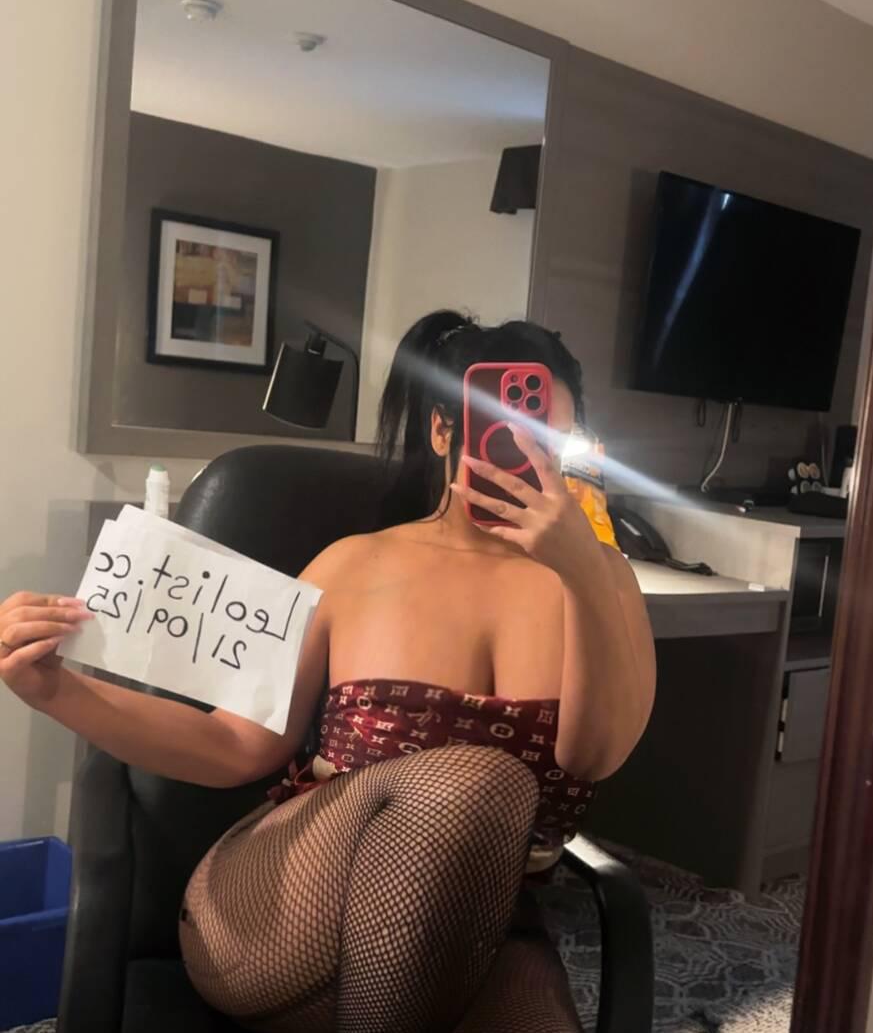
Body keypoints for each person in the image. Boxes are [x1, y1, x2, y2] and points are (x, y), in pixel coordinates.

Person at [0, 310, 656, 1033]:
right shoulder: (353, 565)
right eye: (503, 432)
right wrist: (56, 690)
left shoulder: (604, 584)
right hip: (288, 906)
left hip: (481, 930)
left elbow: (593, 758)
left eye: (546, 442)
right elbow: (234, 745)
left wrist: (582, 572)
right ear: (444, 431)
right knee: (480, 778)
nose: (522, 460)